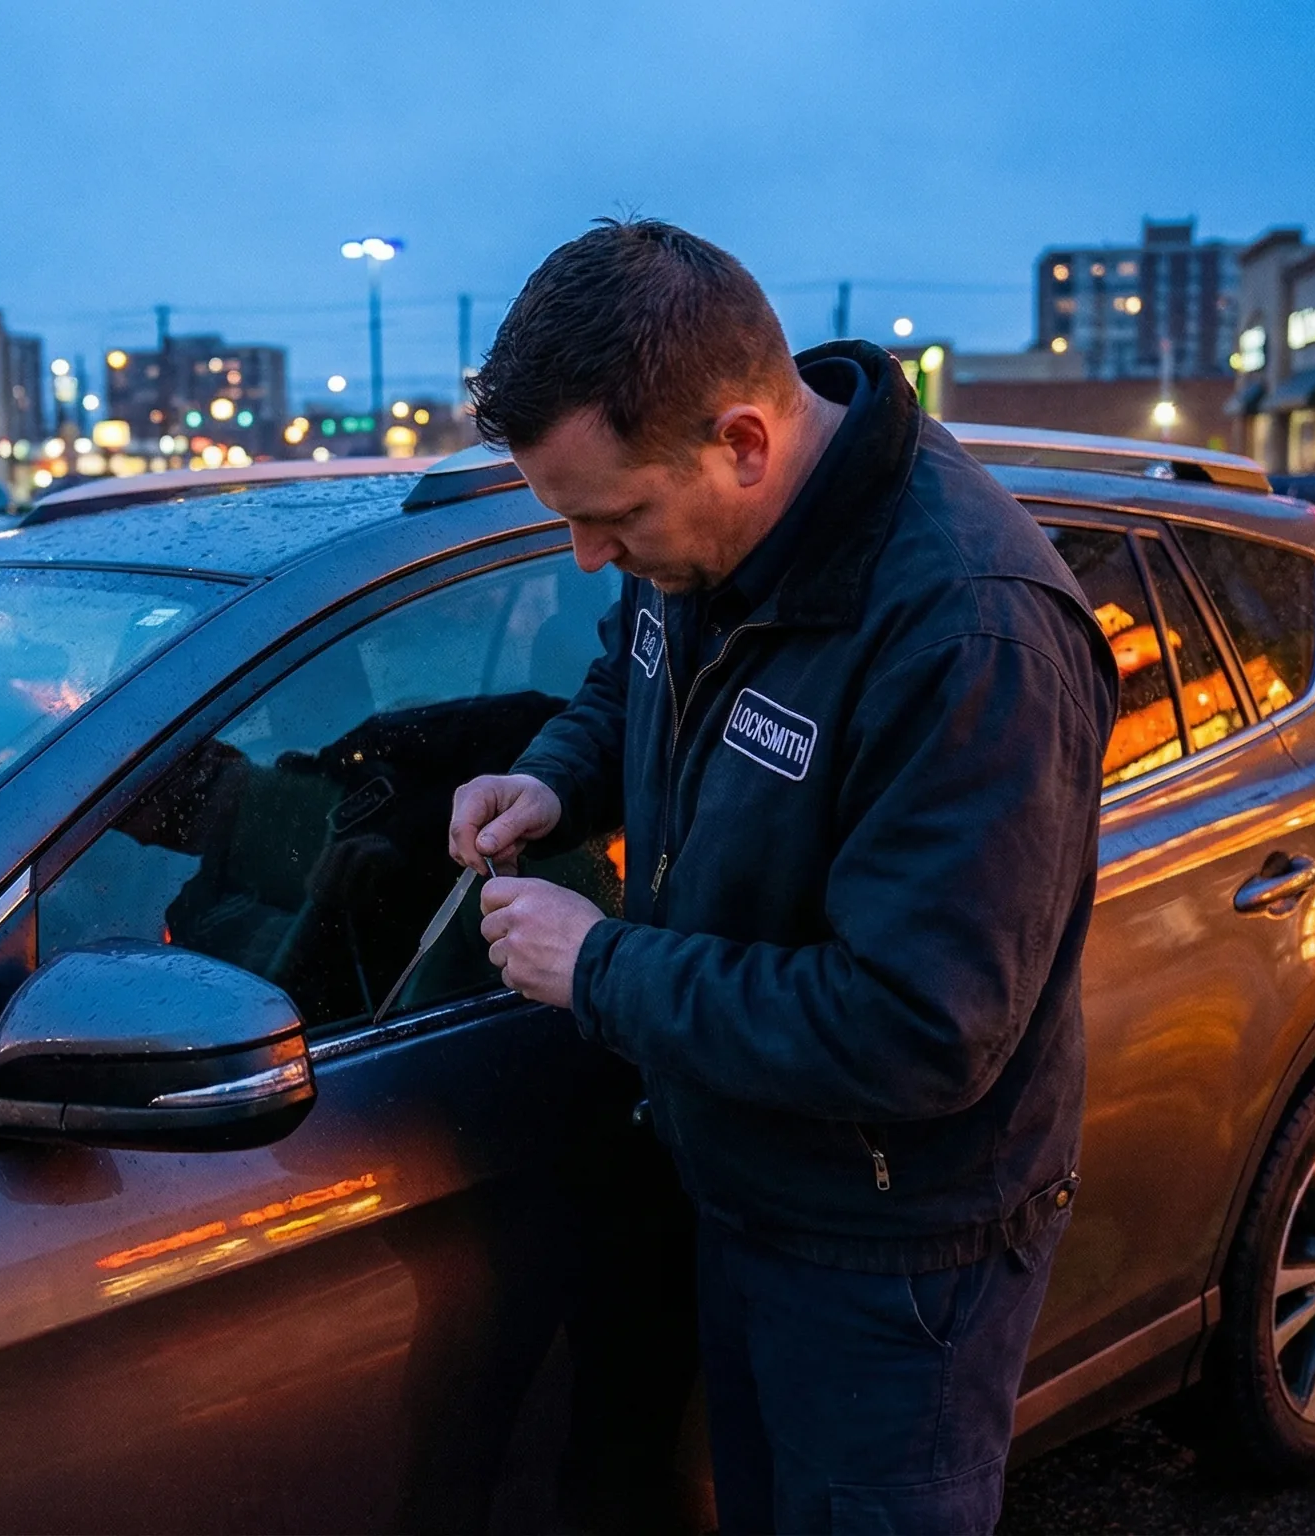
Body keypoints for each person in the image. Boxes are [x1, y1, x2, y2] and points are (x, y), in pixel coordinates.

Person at [447, 219, 1118, 1535]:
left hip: (896, 1254)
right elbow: (629, 669)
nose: (592, 556)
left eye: (612, 519)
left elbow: (920, 1027)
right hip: (744, 1186)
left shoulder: (970, 635)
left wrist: (597, 967)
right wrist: (556, 775)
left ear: (742, 442)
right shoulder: (709, 536)